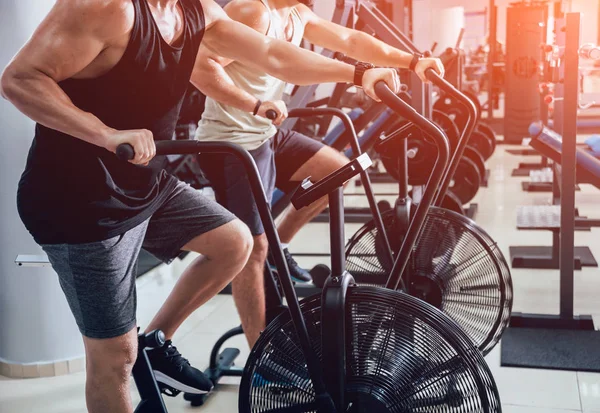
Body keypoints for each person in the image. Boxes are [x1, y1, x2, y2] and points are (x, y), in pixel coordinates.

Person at [0, 0, 400, 412]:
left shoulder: (197, 12)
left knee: (234, 242)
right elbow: (19, 79)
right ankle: (136, 357)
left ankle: (155, 344)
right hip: (78, 203)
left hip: (144, 184)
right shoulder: (109, 9)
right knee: (113, 360)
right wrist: (103, 133)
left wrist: (360, 72)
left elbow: (273, 54)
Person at [193, 0, 444, 347]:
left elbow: (351, 41)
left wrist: (413, 61)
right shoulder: (250, 11)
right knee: (253, 249)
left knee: (335, 170)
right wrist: (252, 104)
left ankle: (280, 250)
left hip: (266, 134)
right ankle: (260, 352)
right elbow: (200, 66)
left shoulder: (297, 14)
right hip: (230, 143)